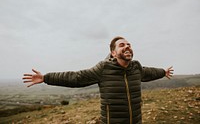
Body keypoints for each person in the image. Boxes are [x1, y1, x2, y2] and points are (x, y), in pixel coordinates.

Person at [23, 36, 174, 124]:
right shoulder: (103, 68)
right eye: (122, 45)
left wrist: (163, 72)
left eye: (129, 44)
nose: (127, 47)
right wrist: (46, 78)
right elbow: (76, 78)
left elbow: (151, 72)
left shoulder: (137, 68)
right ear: (113, 53)